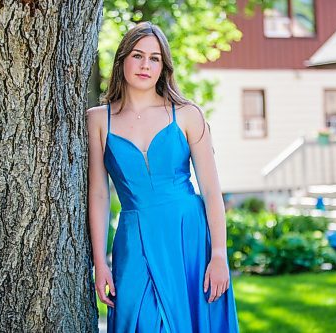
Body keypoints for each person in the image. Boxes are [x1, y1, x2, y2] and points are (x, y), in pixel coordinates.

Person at [86, 21, 240, 332]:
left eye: (154, 58)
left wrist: (219, 255)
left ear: (163, 66)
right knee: (139, 321)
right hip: (134, 236)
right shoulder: (97, 119)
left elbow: (211, 190)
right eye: (138, 55)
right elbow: (100, 194)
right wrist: (100, 263)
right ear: (122, 60)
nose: (145, 65)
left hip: (188, 236)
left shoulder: (186, 114)